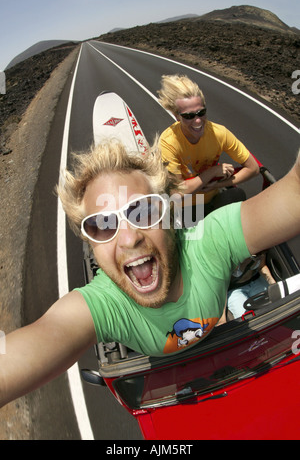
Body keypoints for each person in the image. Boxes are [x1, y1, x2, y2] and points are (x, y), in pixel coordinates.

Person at [1, 138, 300, 408]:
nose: (130, 238)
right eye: (102, 225)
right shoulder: (102, 306)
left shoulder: (211, 242)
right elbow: (36, 342)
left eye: (144, 211)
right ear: (90, 243)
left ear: (169, 214)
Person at [157, 74, 259, 221]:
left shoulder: (219, 133)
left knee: (237, 195)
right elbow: (176, 192)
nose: (197, 121)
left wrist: (219, 184)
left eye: (201, 113)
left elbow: (253, 168)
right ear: (176, 116)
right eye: (189, 116)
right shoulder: (168, 142)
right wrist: (213, 172)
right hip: (186, 208)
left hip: (212, 200)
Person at [227, 252, 276, 319]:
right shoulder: (231, 256)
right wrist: (222, 318)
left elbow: (261, 266)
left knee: (273, 306)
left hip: (255, 280)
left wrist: (273, 283)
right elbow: (220, 285)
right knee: (248, 318)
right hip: (234, 289)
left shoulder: (260, 251)